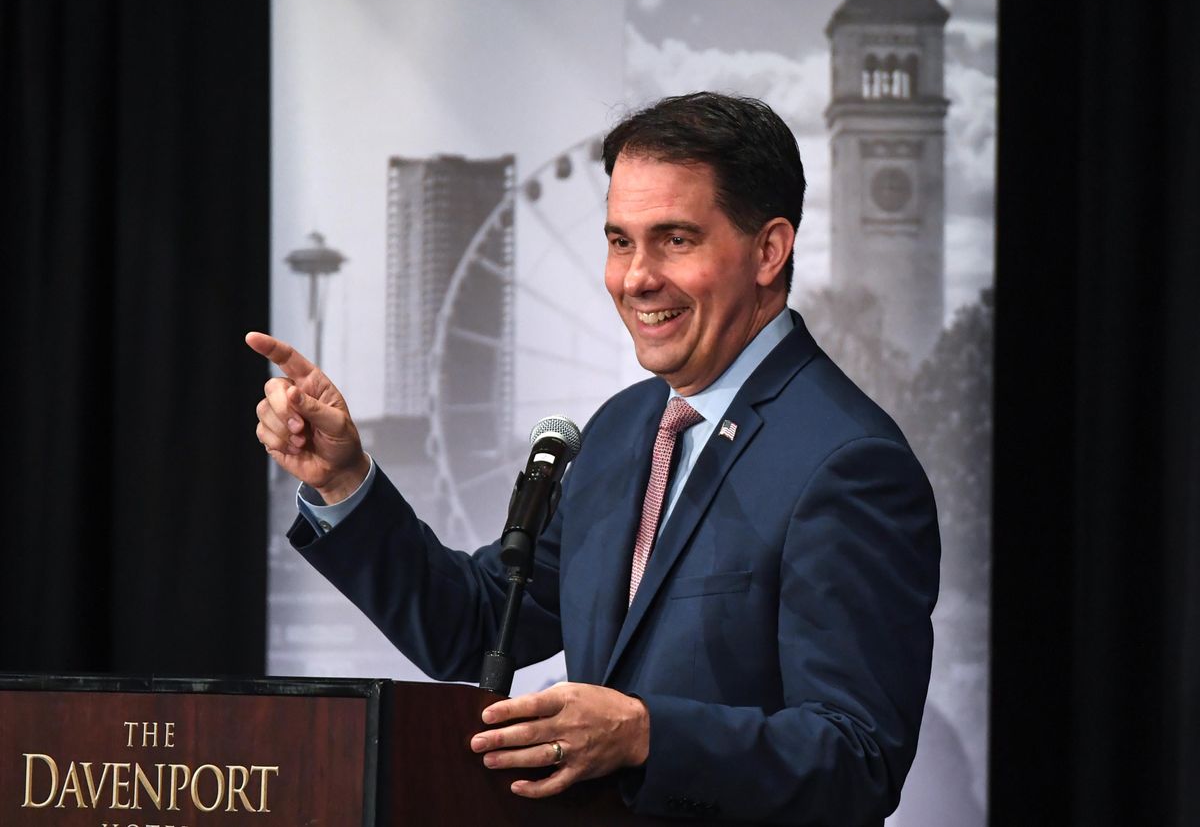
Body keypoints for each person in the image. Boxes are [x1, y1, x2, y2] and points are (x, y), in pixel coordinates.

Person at [249, 92, 939, 825]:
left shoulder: (849, 463)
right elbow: (479, 626)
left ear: (769, 250)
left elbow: (856, 760)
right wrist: (345, 481)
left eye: (675, 239)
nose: (635, 277)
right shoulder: (623, 428)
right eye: (619, 241)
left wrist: (645, 735)